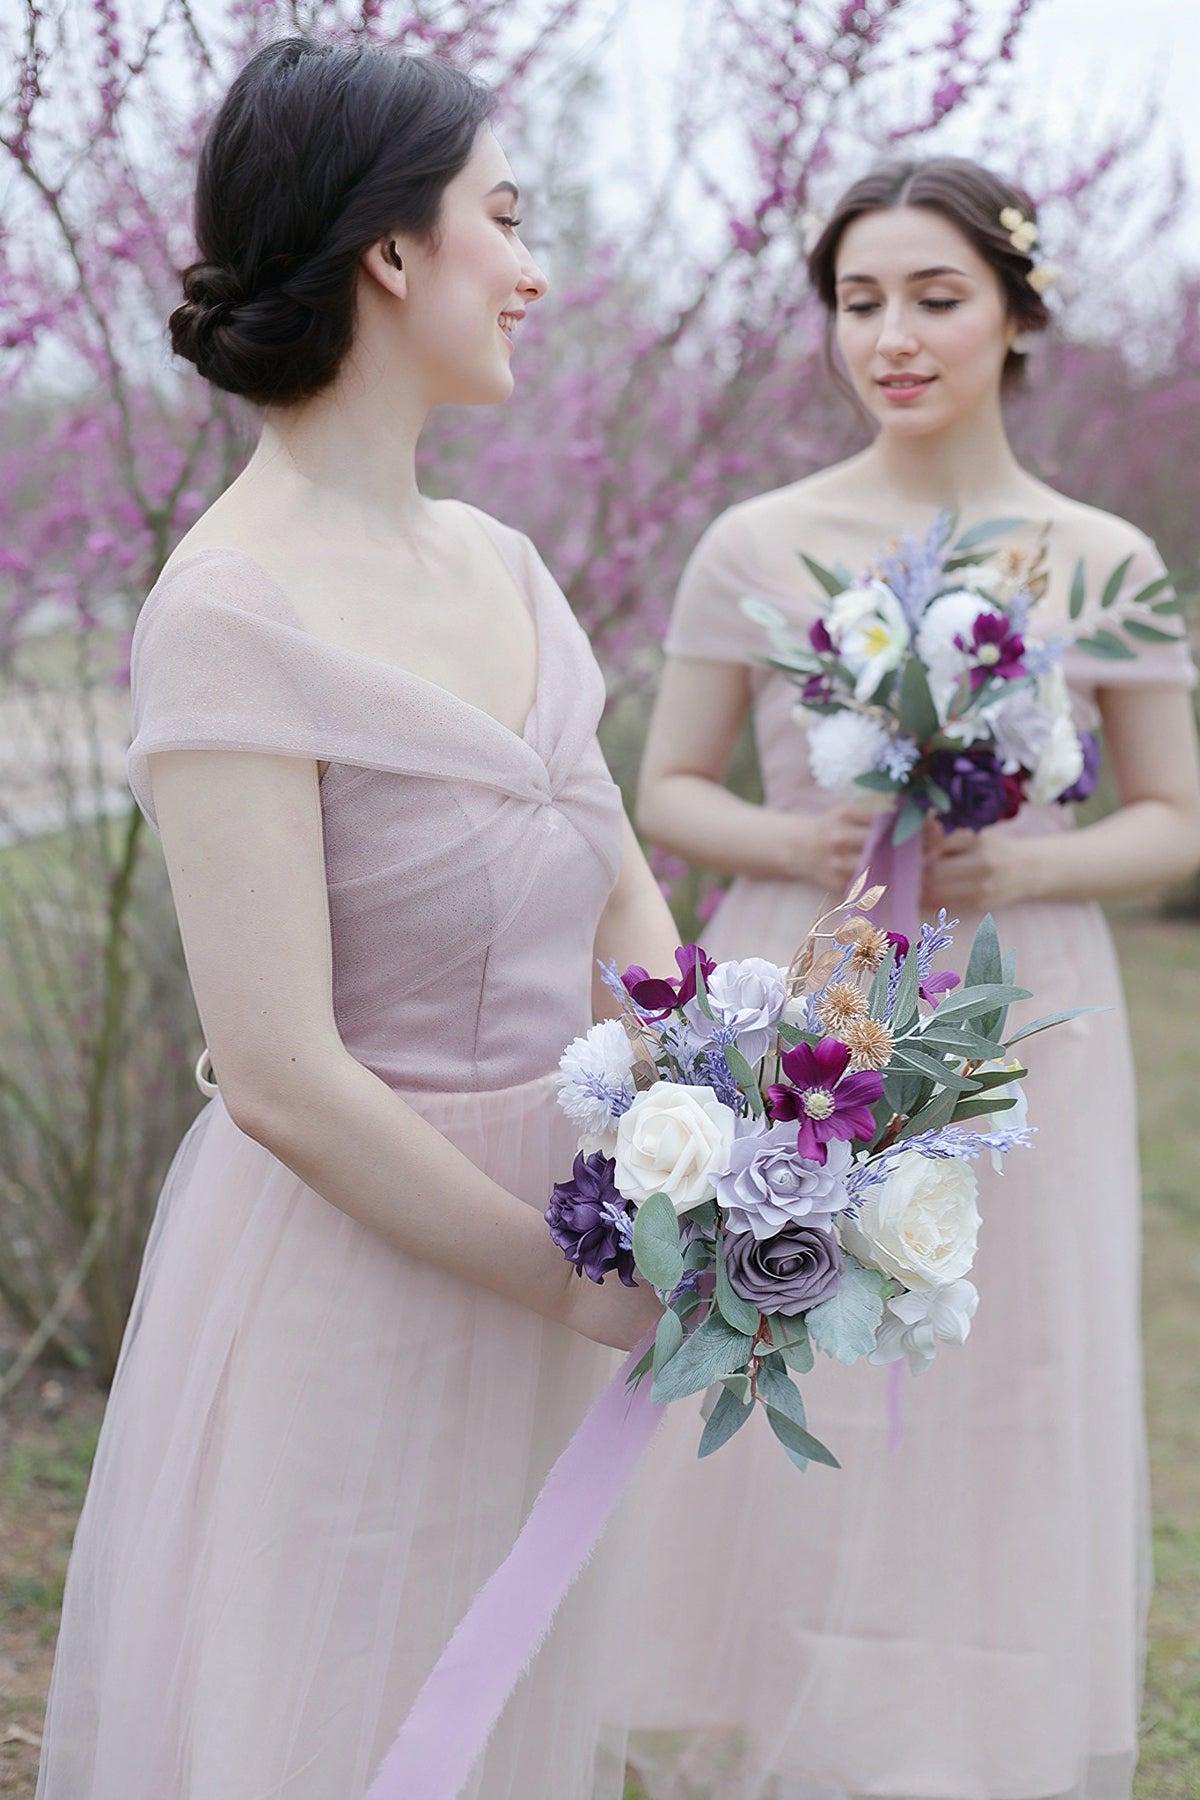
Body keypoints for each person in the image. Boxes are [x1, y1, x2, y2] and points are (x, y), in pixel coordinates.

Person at [36, 36, 676, 1800]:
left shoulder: (509, 567)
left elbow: (619, 877)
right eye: (506, 218)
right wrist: (576, 1288)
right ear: (394, 251)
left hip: (572, 1233)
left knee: (509, 1725)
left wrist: (736, 1107)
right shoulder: (230, 608)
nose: (534, 270)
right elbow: (281, 1074)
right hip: (365, 1275)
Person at [628, 156, 1200, 1799]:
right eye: (859, 301)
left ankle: (956, 1745)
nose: (892, 334)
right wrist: (794, 841)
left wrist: (1019, 863)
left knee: (996, 1367)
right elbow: (670, 787)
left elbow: (1172, 816)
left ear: (1017, 315)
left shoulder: (1101, 558)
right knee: (782, 1329)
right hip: (798, 991)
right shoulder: (759, 539)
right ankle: (745, 1712)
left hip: (1018, 1010)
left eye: (935, 298)